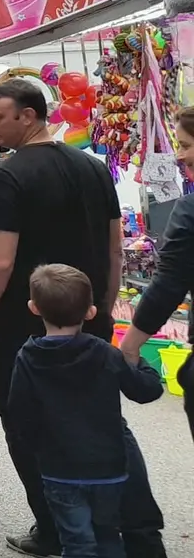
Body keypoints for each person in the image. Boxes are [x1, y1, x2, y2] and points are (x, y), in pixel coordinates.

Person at [0, 79, 165, 558]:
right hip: (88, 314)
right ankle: (135, 526)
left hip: (23, 322)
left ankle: (56, 528)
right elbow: (114, 247)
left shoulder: (7, 176)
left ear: (29, 116)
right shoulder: (92, 168)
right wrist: (103, 299)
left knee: (27, 425)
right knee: (104, 420)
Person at [7, 264, 164, 558]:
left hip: (59, 469)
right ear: (91, 312)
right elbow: (145, 391)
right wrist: (139, 363)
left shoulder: (28, 357)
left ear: (34, 308)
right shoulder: (104, 352)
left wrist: (38, 449)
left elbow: (18, 415)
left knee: (76, 541)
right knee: (107, 538)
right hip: (109, 469)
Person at [120, 105, 194, 441]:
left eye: (185, 145)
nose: (180, 156)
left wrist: (131, 346)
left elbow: (170, 283)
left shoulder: (190, 211)